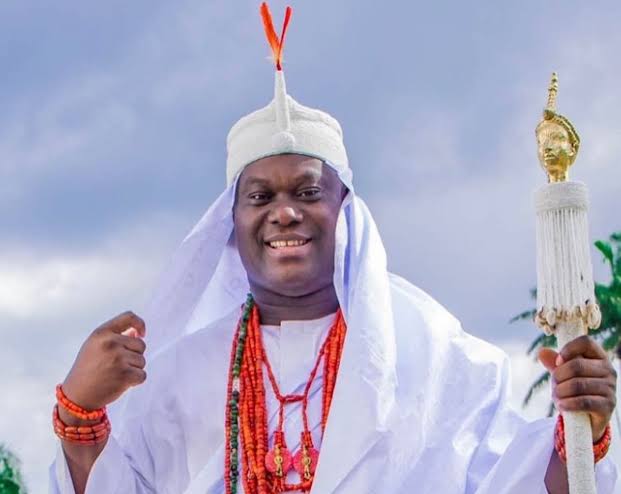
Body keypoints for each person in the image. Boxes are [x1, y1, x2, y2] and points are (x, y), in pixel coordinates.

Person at [50, 4, 618, 494]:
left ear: (346, 213)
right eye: (260, 196)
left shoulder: (434, 356)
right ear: (230, 223)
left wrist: (582, 434)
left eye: (307, 192)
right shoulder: (180, 377)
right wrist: (80, 413)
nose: (284, 212)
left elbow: (514, 484)